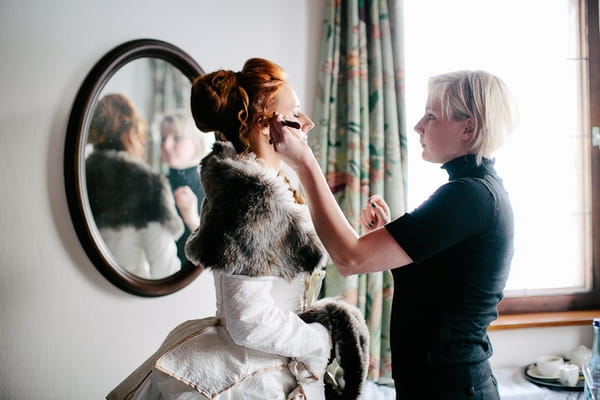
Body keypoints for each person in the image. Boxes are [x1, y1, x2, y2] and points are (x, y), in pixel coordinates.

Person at [106, 59, 369, 400]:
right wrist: (319, 340)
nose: (308, 123)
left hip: (280, 366)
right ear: (265, 124)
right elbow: (249, 320)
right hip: (253, 377)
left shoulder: (278, 185)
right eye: (297, 112)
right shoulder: (251, 199)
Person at [270, 70, 518, 399]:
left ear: (468, 127)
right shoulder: (477, 191)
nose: (418, 126)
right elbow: (440, 292)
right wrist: (388, 239)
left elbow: (349, 258)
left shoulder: (468, 196)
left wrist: (304, 164)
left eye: (431, 115)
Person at [86, 93, 183, 279]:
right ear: (130, 131)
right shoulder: (146, 183)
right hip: (128, 292)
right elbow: (165, 268)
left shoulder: (79, 176)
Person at [160, 110, 212, 266]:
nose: (166, 145)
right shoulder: (155, 184)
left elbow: (214, 252)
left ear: (196, 142)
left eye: (176, 138)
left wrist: (192, 218)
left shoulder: (212, 188)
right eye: (163, 138)